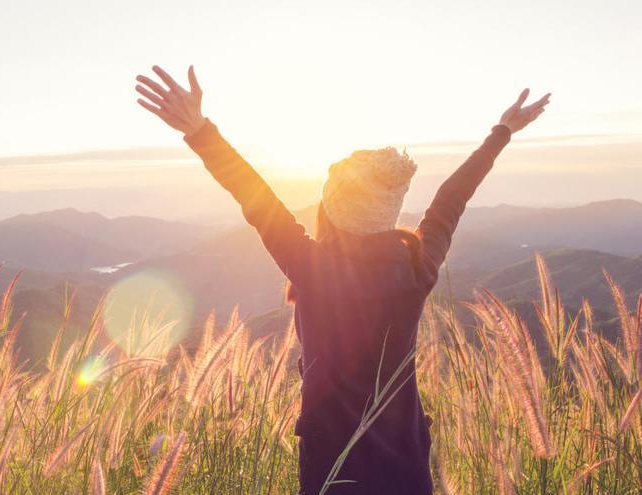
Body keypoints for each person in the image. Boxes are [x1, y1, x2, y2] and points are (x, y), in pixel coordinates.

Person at [135, 65, 550, 494]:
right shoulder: (417, 267)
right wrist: (503, 130)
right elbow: (452, 198)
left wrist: (201, 131)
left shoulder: (314, 269)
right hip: (406, 466)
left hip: (333, 469)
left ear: (331, 208)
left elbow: (254, 196)